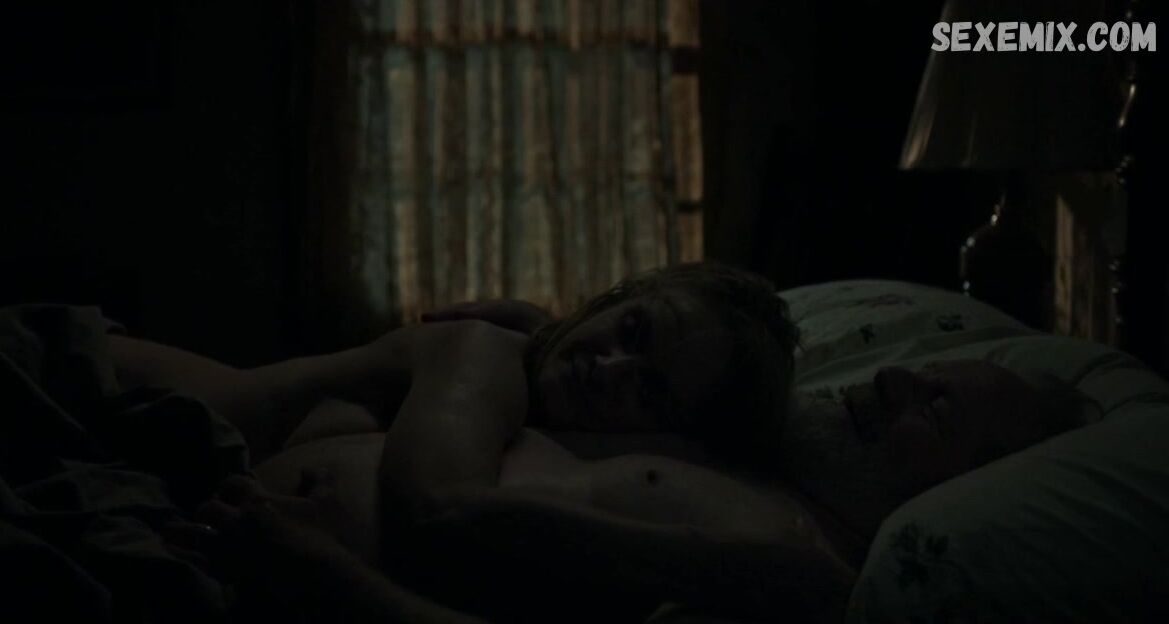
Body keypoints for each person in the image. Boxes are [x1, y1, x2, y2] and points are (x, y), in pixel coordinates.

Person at [105, 264, 1095, 623]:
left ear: (981, 491)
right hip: (153, 465)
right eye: (625, 332)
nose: (888, 379)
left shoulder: (788, 567)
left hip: (198, 559)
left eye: (936, 405)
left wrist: (314, 573)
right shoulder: (710, 462)